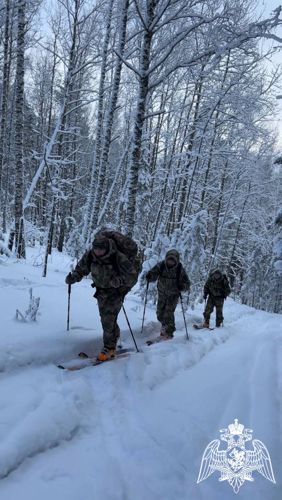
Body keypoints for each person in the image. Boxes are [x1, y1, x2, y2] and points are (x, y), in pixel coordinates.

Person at [65, 234, 138, 361]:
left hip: (116, 292)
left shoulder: (118, 257)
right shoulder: (90, 255)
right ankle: (114, 337)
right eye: (95, 248)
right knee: (106, 317)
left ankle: (109, 348)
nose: (98, 251)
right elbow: (81, 269)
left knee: (107, 320)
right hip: (101, 292)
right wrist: (74, 277)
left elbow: (132, 275)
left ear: (107, 247)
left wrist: (120, 280)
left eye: (101, 248)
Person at [146, 250, 190, 339]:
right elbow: (153, 274)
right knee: (159, 313)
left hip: (173, 295)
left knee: (168, 313)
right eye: (169, 260)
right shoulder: (161, 265)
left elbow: (187, 283)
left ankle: (169, 332)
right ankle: (164, 325)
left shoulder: (179, 269)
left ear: (176, 261)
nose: (170, 262)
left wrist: (182, 286)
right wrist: (149, 277)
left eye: (173, 261)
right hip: (162, 293)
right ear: (166, 259)